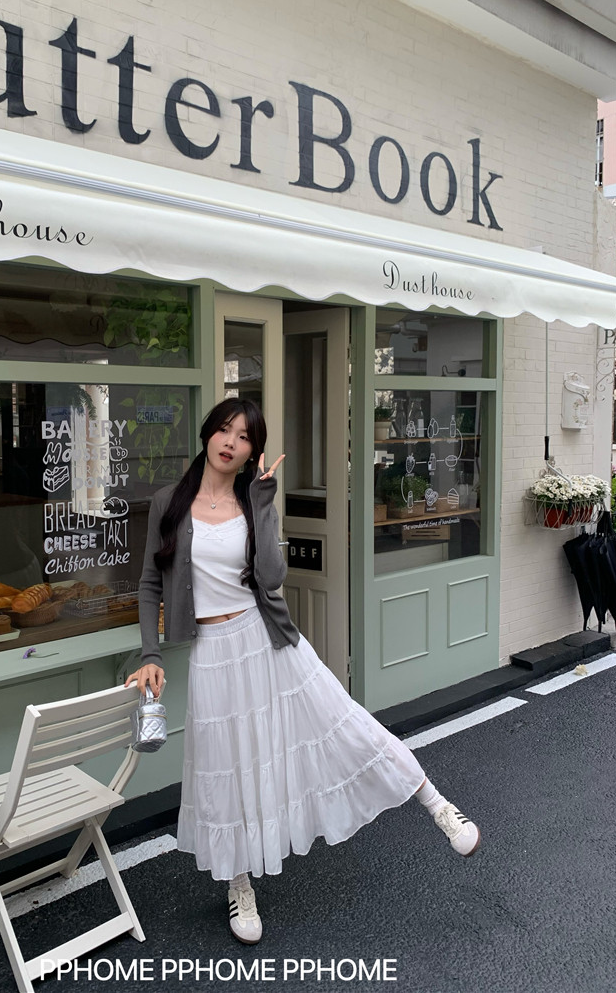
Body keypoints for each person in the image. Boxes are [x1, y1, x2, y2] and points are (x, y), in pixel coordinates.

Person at [126, 398, 480, 945]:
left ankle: (438, 805)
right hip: (212, 653)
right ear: (207, 433)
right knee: (225, 768)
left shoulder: (253, 498)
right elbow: (151, 582)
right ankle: (238, 884)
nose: (230, 442)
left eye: (244, 436)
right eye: (224, 430)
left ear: (253, 451)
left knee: (344, 722)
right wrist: (150, 653)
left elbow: (271, 577)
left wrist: (265, 504)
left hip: (268, 641)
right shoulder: (168, 503)